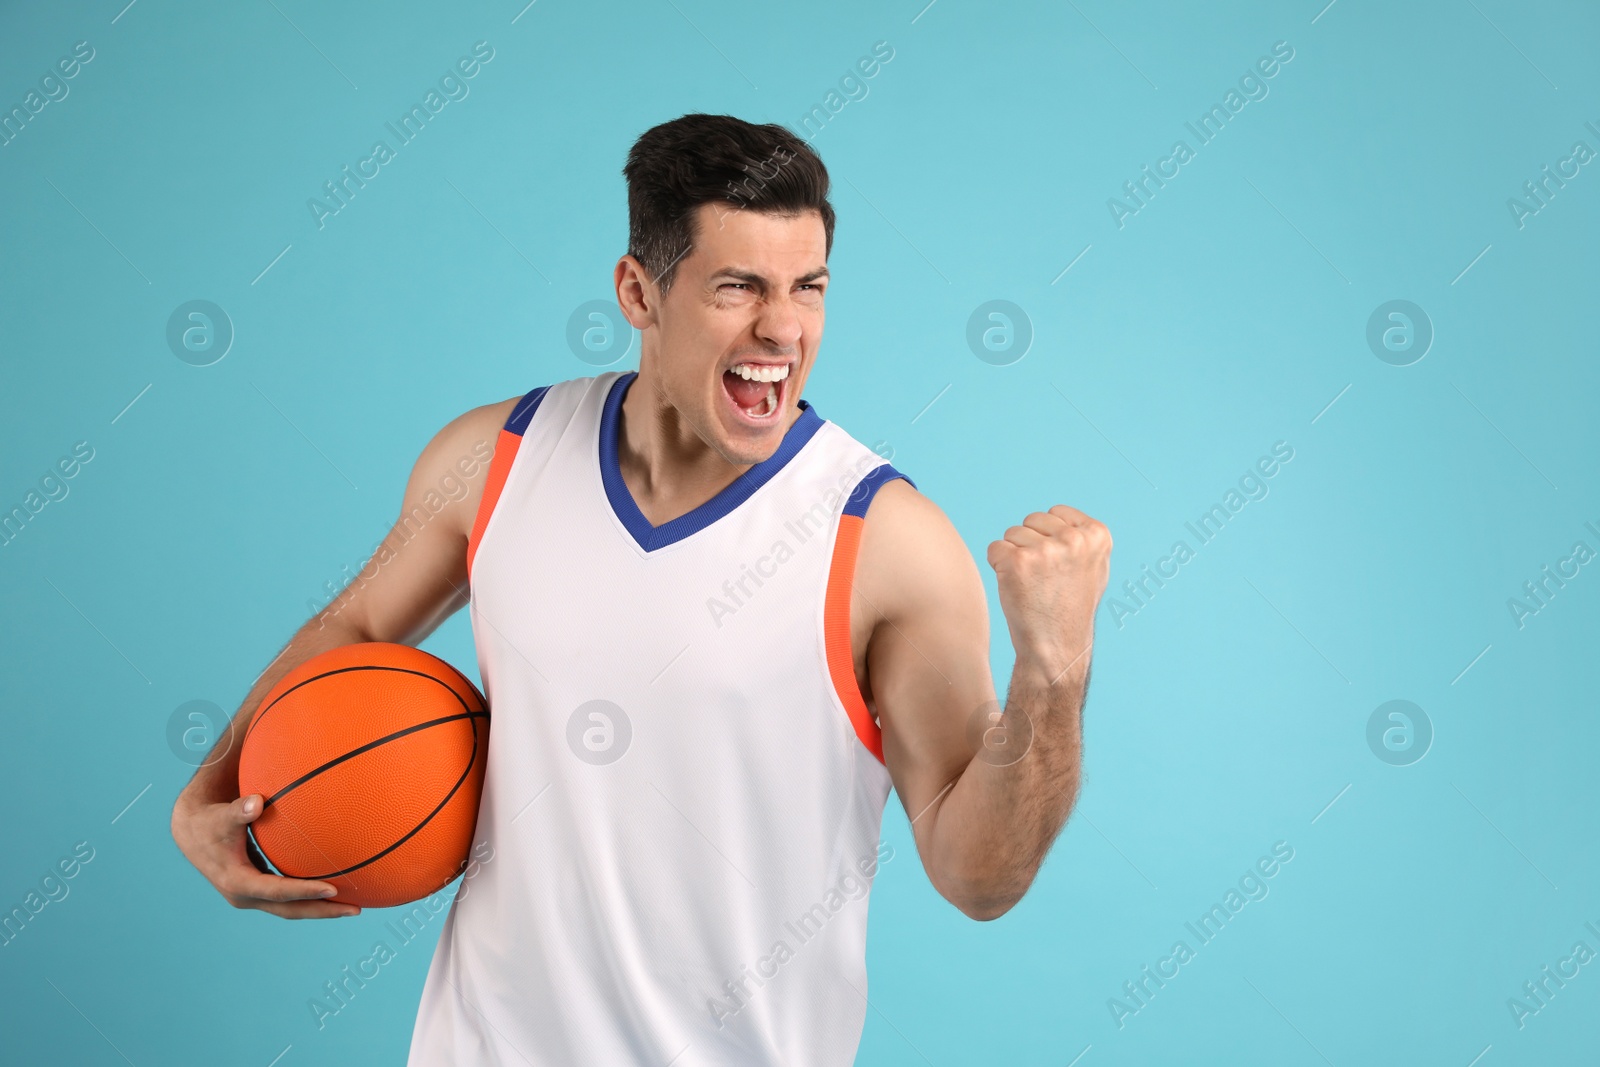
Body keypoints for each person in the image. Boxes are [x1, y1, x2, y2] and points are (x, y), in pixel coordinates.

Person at [171, 113, 1112, 1065]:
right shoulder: (492, 462)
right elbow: (357, 623)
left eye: (808, 288)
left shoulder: (883, 541)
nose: (781, 329)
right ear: (638, 291)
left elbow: (978, 875)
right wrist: (211, 787)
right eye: (738, 287)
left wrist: (1055, 670)